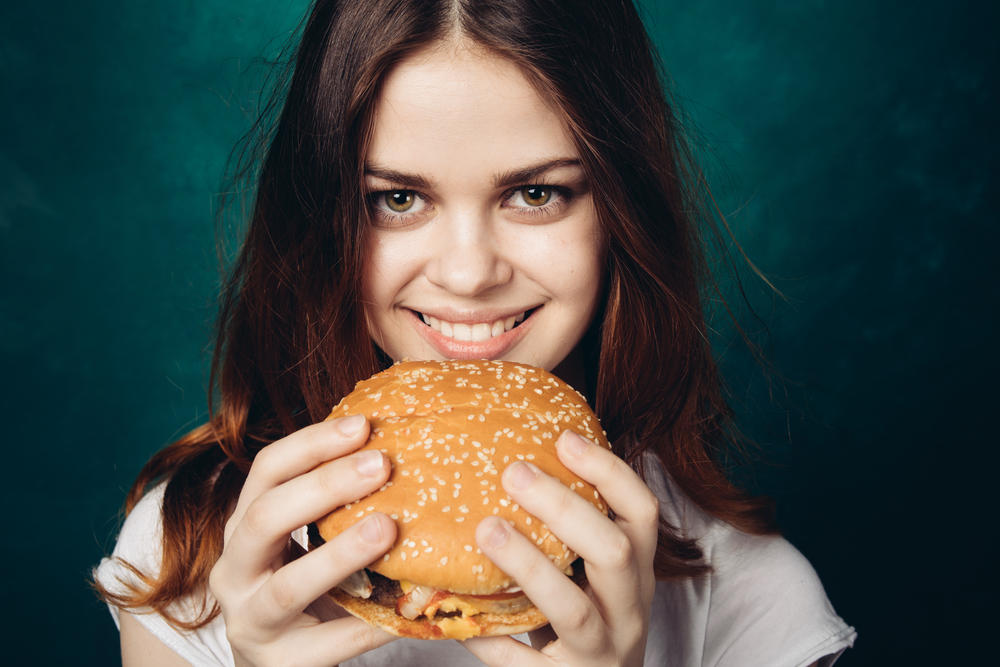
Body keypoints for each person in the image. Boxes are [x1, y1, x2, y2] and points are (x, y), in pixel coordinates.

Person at [94, 1, 857, 665]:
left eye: (536, 192)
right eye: (396, 198)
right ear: (323, 218)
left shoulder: (755, 604)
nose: (467, 274)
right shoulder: (185, 557)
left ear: (620, 212)